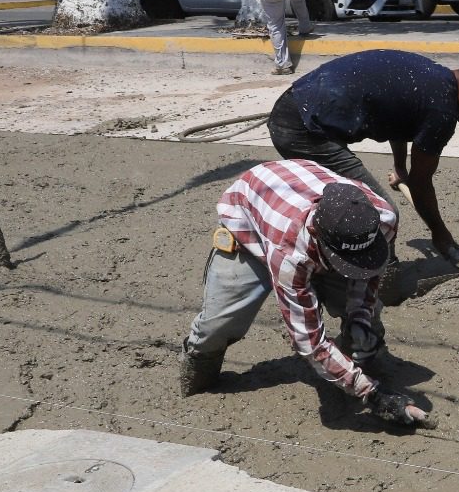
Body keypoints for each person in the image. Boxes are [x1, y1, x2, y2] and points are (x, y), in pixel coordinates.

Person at [179, 158, 429, 428]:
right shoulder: (290, 255)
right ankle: (198, 376)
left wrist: (360, 318)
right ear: (321, 244)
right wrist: (374, 396)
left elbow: (367, 274)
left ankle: (355, 363)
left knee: (367, 319)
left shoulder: (382, 218)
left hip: (302, 190)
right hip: (250, 221)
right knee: (219, 324)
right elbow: (308, 341)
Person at [267, 50, 459, 263]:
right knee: (382, 211)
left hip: (296, 106)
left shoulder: (434, 78)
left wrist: (399, 167)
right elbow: (421, 182)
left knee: (346, 201)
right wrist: (439, 231)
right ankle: (382, 277)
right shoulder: (442, 110)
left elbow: (402, 121)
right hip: (303, 130)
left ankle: (336, 261)